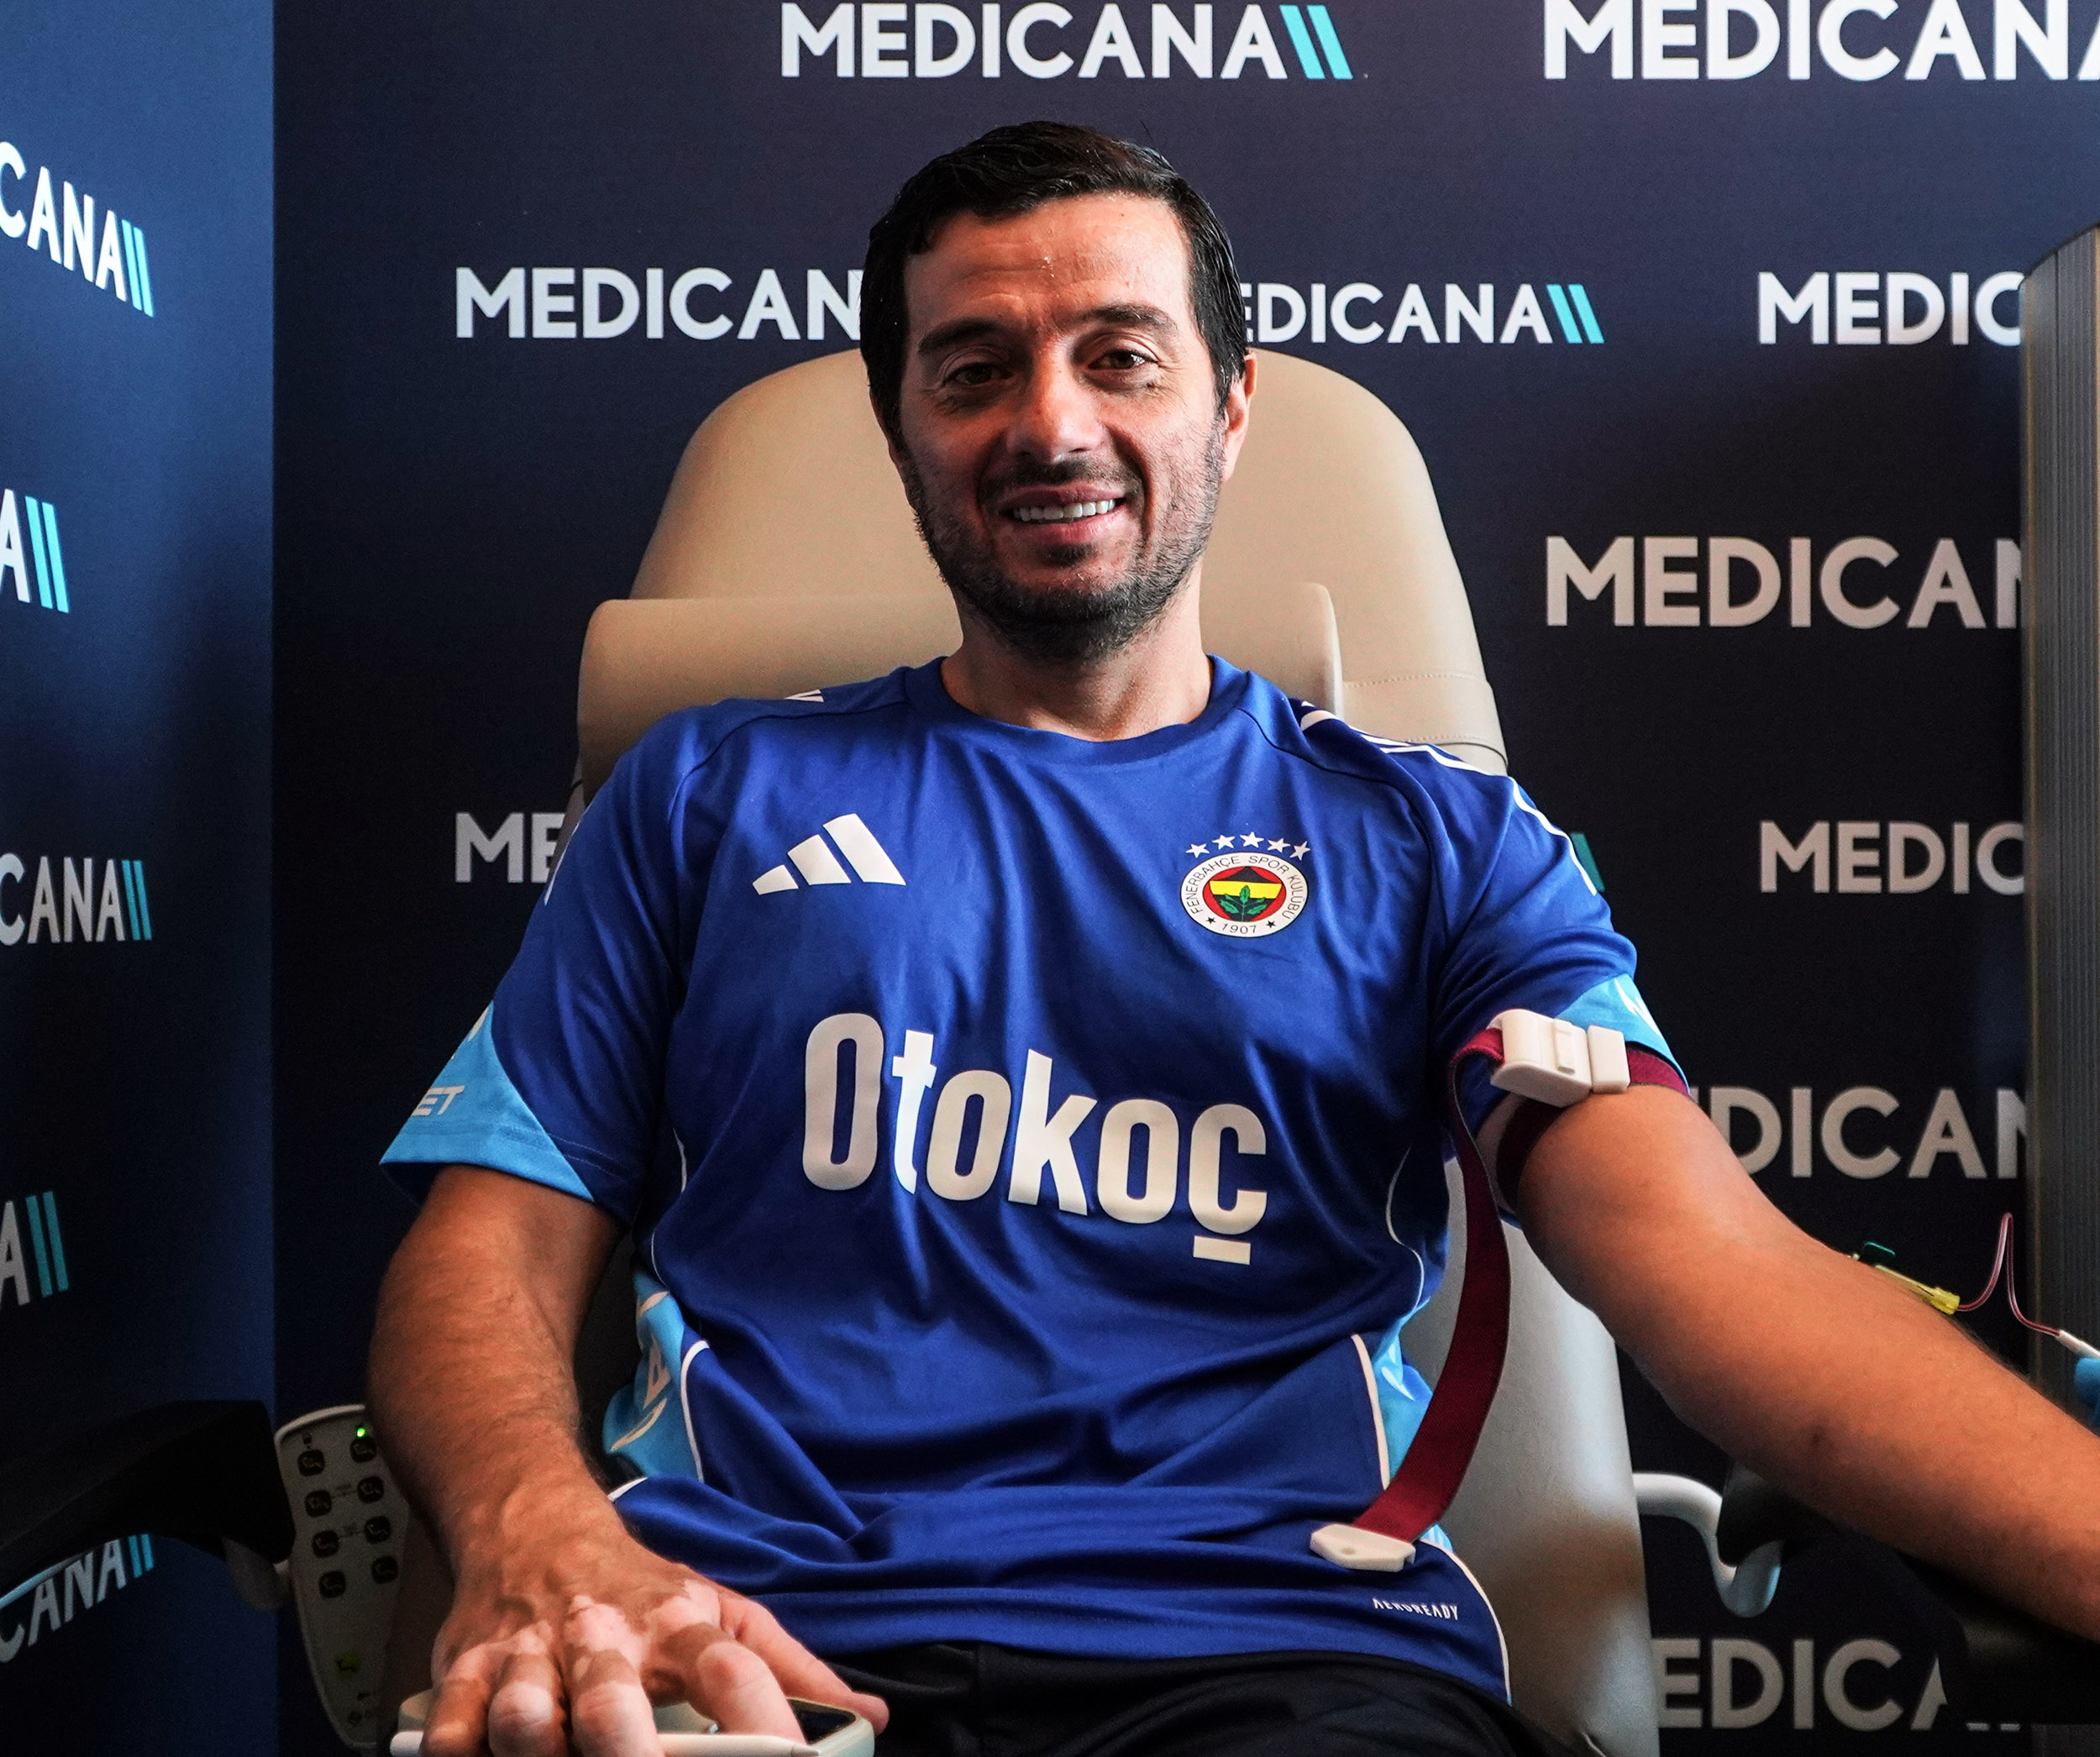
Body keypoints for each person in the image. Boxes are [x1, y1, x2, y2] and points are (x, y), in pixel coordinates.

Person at [368, 122, 2100, 1757]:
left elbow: (1717, 1271)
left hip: (1284, 1657)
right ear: (901, 433)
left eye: (1120, 356)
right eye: (972, 370)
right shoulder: (706, 794)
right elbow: (487, 1253)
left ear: (1231, 403)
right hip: (754, 1640)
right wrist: (539, 1533)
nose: (1050, 423)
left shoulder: (1440, 841)